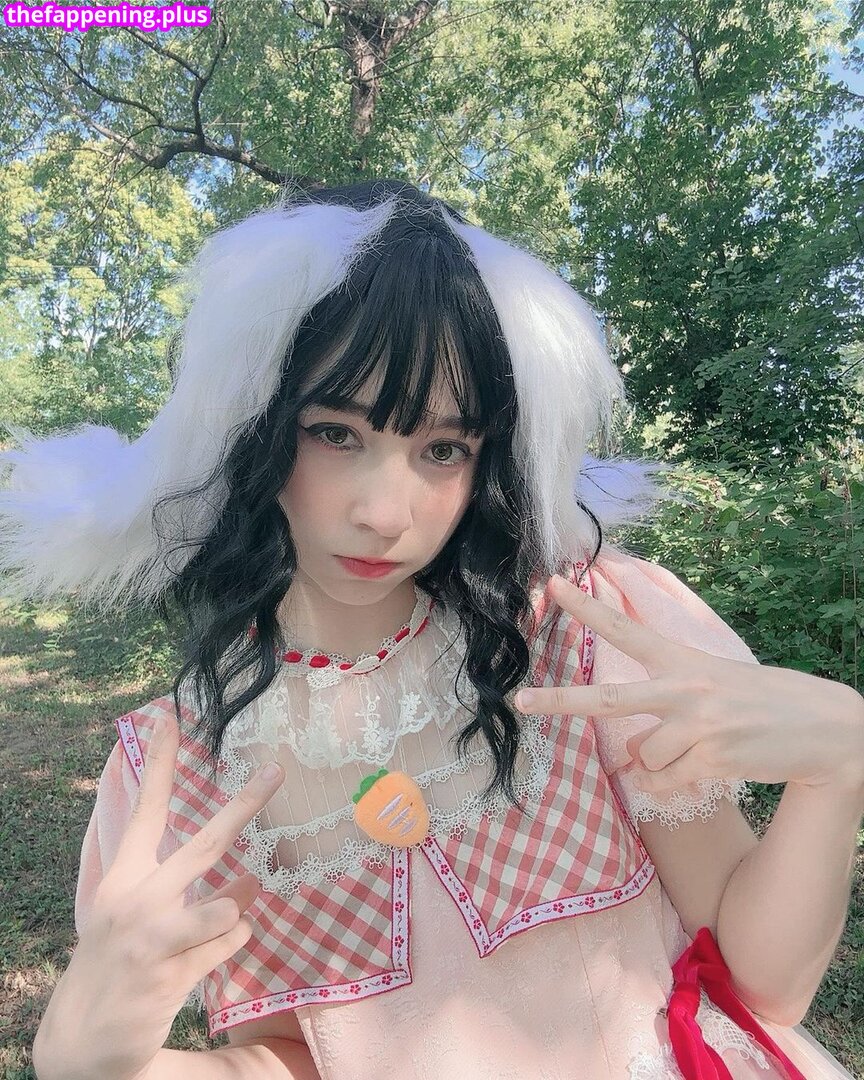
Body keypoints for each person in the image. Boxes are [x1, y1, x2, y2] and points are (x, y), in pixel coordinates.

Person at [3, 180, 861, 1080]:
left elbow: (761, 990)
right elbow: (302, 1059)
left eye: (443, 449)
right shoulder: (181, 765)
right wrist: (94, 1065)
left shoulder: (577, 639)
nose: (386, 513)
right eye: (335, 433)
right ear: (250, 428)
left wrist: (838, 765)